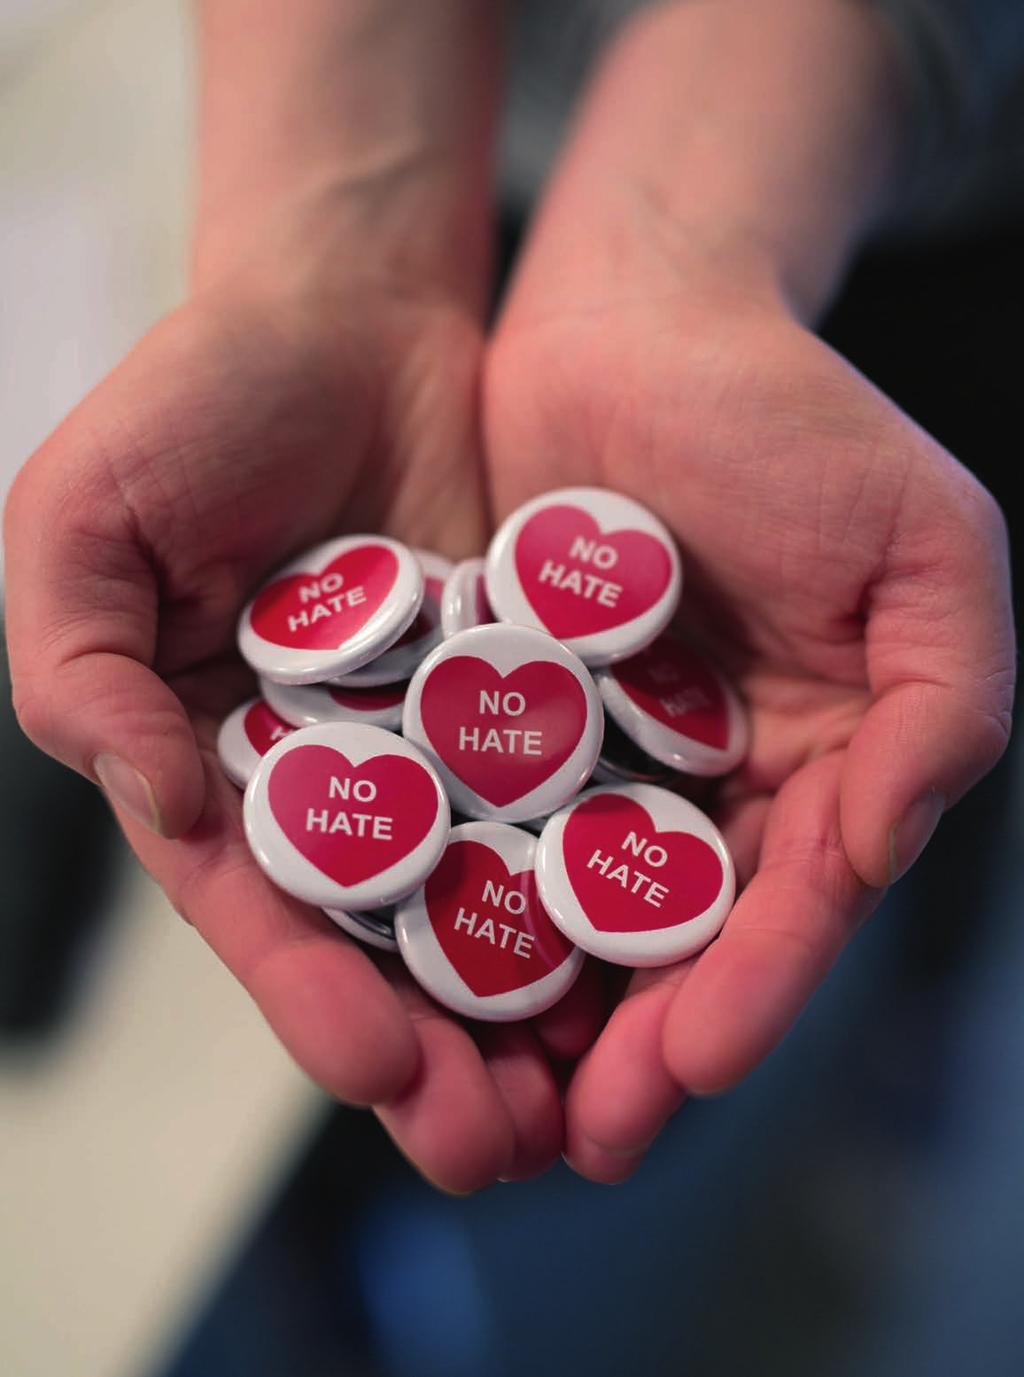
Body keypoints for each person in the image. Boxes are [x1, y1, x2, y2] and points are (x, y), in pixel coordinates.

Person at [2, 0, 1018, 1193]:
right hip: (456, 157)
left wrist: (677, 262)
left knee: (916, 762)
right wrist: (320, 267)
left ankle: (924, 1013)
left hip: (898, 180)